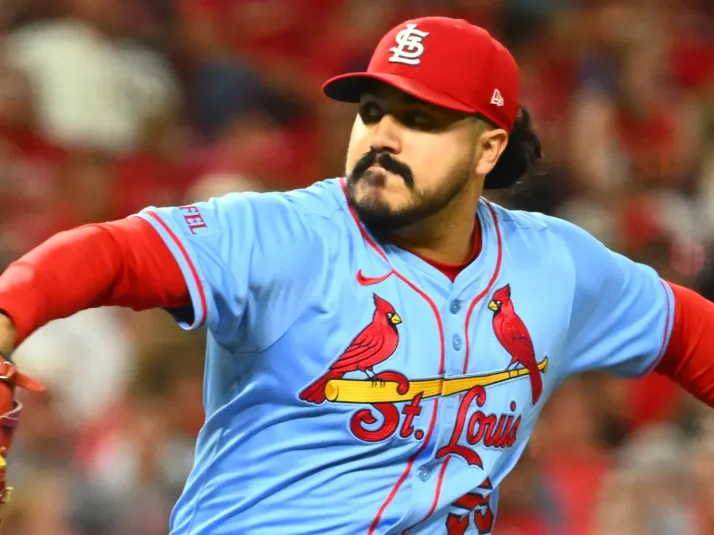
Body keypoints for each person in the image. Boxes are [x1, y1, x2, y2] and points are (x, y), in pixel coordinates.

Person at [0, 16, 713, 535]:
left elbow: (685, 330)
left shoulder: (555, 265)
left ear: (487, 148)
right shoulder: (286, 236)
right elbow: (114, 253)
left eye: (419, 119)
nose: (382, 136)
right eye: (372, 112)